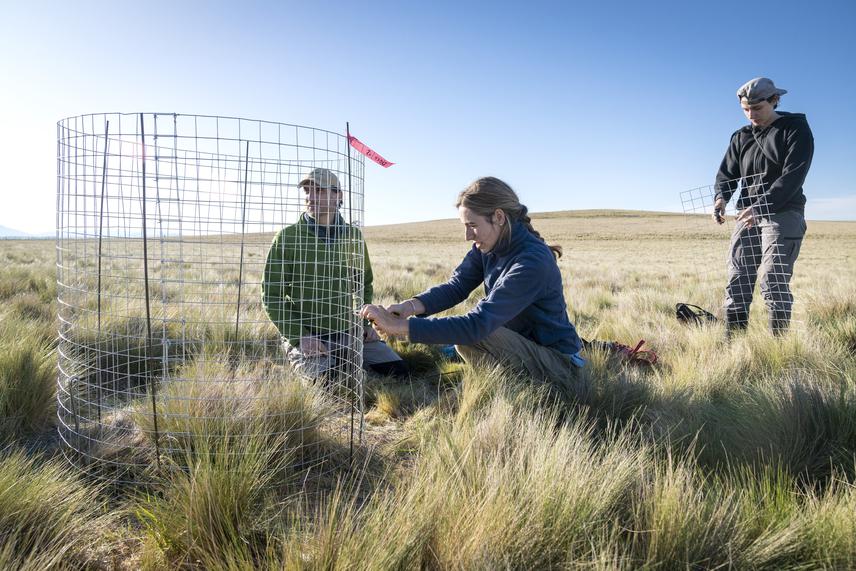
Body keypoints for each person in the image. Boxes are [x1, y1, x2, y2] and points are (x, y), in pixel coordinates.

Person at [360, 176, 584, 391]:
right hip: (523, 346)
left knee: (472, 337)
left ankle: (523, 394)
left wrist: (399, 328)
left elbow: (477, 325)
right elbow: (457, 286)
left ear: (498, 217)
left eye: (472, 225)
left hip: (560, 364)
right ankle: (502, 389)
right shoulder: (488, 245)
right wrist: (409, 307)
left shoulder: (533, 261)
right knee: (468, 337)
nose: (467, 235)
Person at [262, 167, 409, 380]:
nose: (310, 197)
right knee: (328, 388)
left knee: (398, 373)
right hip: (307, 334)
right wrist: (299, 336)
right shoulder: (287, 238)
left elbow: (362, 285)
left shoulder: (353, 237)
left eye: (319, 191)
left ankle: (342, 359)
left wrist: (365, 324)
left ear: (338, 195)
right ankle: (316, 361)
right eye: (307, 191)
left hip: (347, 331)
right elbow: (271, 295)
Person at [712, 77, 814, 335]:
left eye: (757, 108)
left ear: (775, 100)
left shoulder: (795, 129)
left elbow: (793, 175)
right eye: (746, 109)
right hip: (747, 216)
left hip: (784, 212)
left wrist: (761, 206)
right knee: (738, 278)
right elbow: (727, 174)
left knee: (773, 278)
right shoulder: (741, 137)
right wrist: (721, 197)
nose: (751, 115)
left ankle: (776, 348)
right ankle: (732, 345)